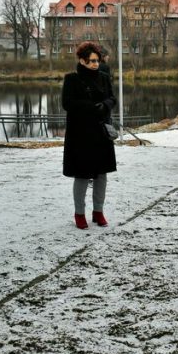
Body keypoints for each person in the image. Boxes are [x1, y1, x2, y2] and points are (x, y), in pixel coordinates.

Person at [62, 41, 117, 229]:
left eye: (97, 60)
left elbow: (112, 98)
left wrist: (105, 105)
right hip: (81, 135)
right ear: (82, 60)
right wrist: (91, 108)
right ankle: (79, 214)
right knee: (83, 175)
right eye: (91, 60)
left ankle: (98, 211)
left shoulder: (103, 77)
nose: (95, 64)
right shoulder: (72, 79)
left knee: (101, 175)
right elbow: (67, 103)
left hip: (101, 133)